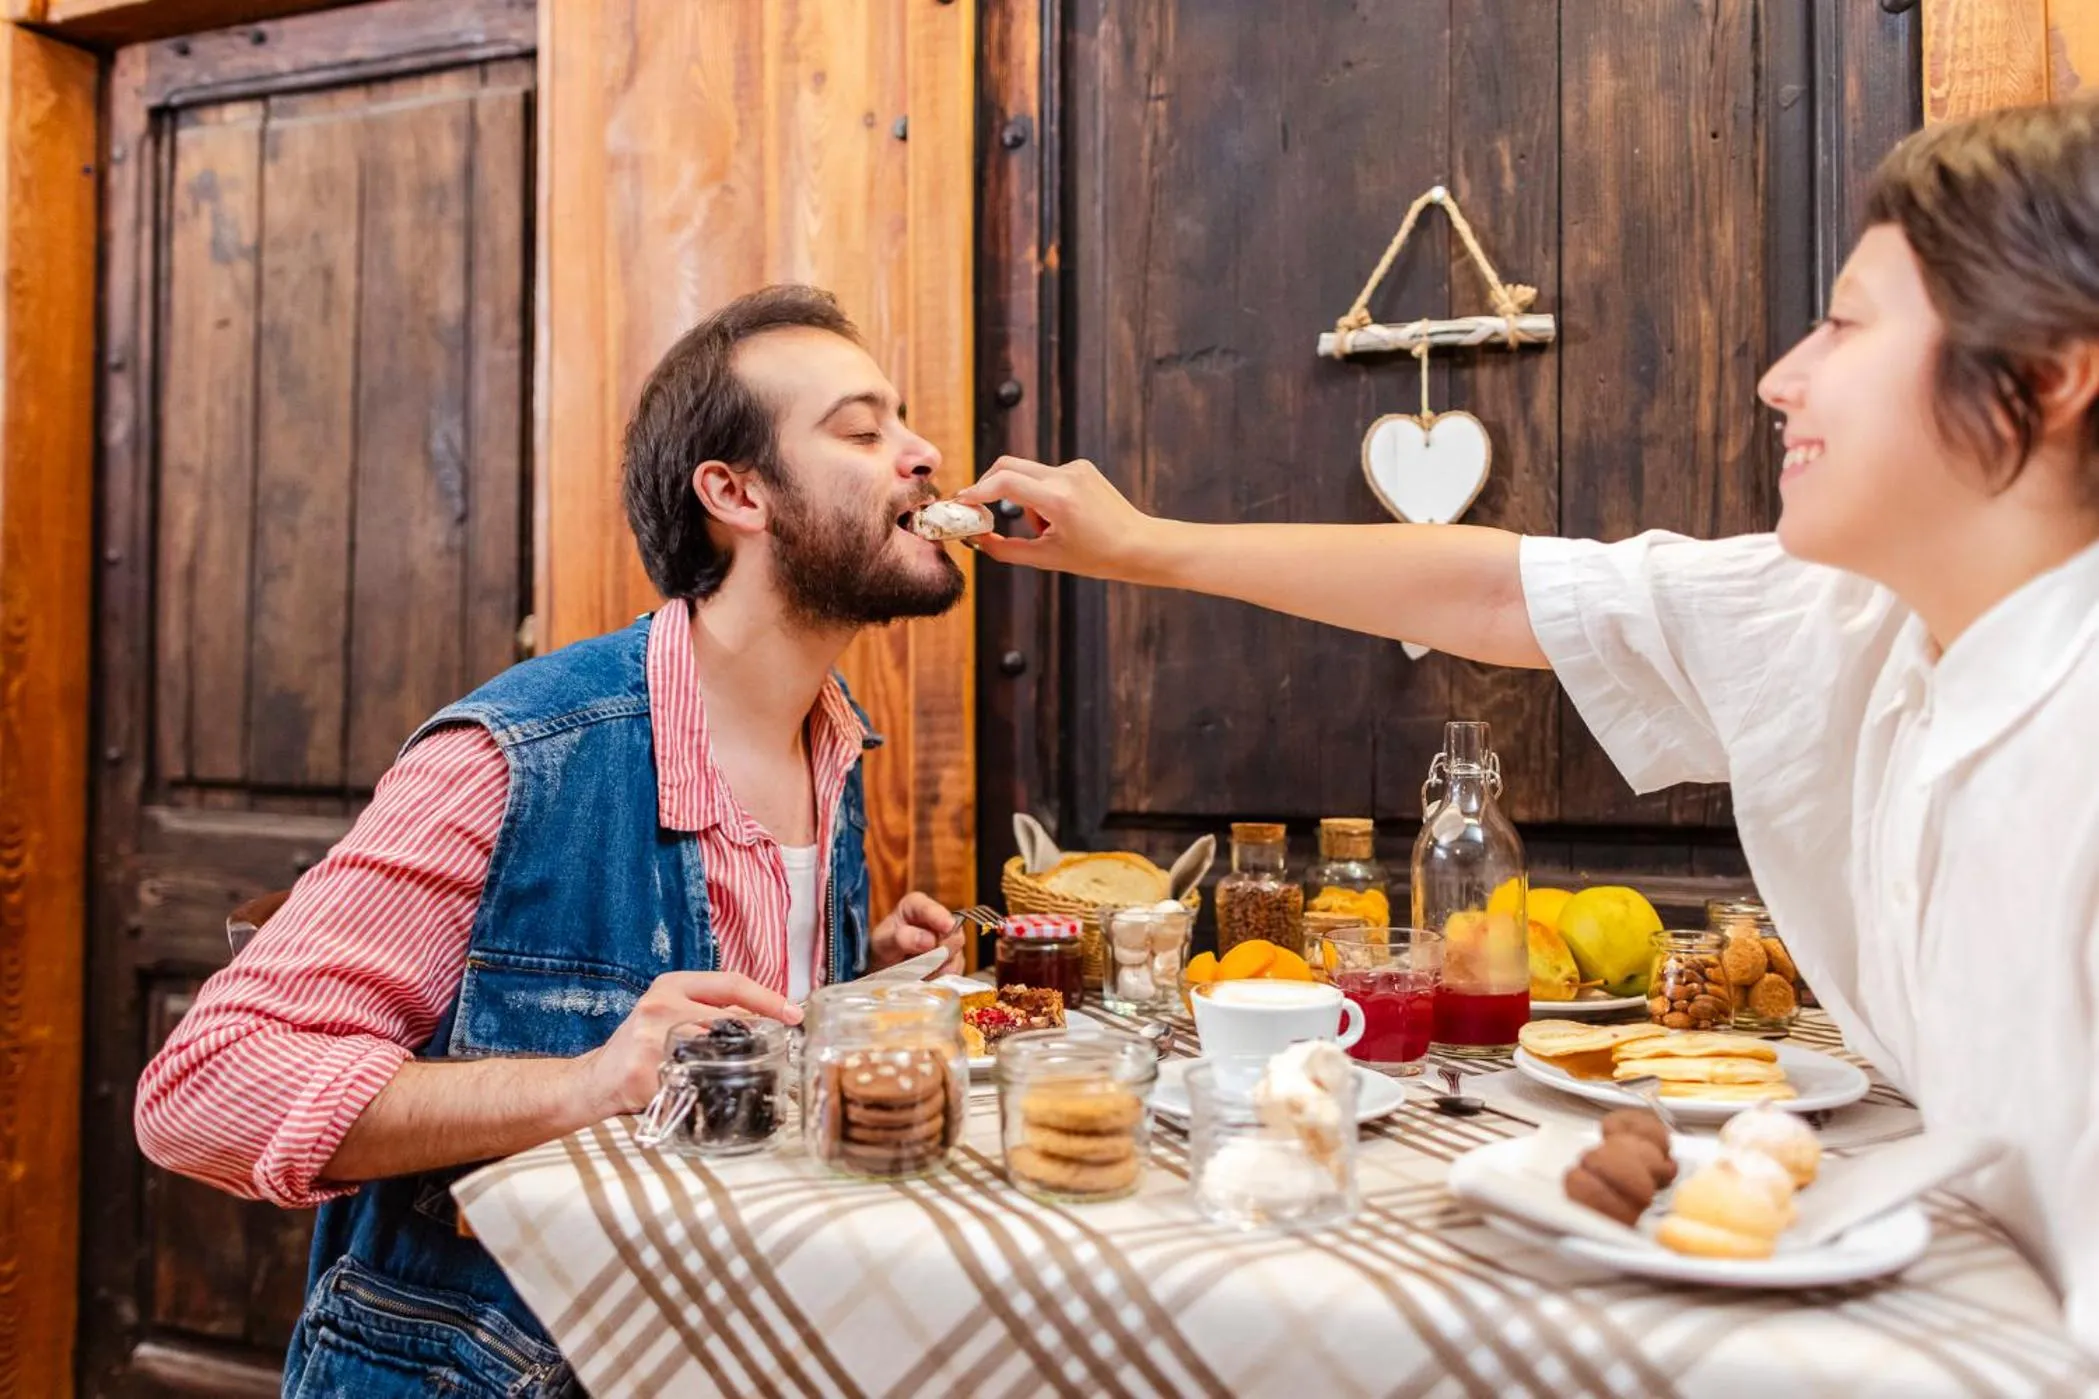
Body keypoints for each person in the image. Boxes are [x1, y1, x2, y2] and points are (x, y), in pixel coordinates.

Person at [961, 97, 2099, 1352]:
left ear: (2044, 377)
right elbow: (1502, 588)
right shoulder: (1846, 613)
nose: (1782, 377)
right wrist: (1141, 547)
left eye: (1843, 323)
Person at [136, 285, 969, 1396]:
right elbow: (201, 1089)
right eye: (861, 431)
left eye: (901, 424)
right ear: (733, 493)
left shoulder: (832, 743)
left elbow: (717, 1040)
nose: (919, 454)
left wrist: (857, 985)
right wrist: (586, 1080)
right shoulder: (520, 755)